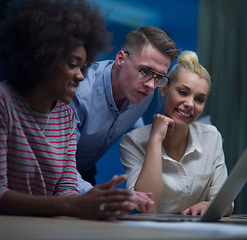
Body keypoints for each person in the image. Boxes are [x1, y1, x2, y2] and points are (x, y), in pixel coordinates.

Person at [0, 0, 152, 220]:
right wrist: (72, 205)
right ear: (43, 58)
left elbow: (66, 188)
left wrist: (94, 203)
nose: (81, 76)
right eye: (73, 64)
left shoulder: (65, 115)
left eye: (83, 66)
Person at [120, 51, 233, 216]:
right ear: (164, 90)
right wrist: (155, 140)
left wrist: (210, 205)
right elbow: (147, 207)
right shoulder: (132, 142)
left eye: (199, 99)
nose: (190, 104)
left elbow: (227, 203)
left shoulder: (211, 136)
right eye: (183, 92)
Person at [69, 26, 179, 188]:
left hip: (85, 172)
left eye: (159, 77)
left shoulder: (143, 91)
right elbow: (61, 166)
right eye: (145, 71)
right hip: (57, 171)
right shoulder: (80, 93)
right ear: (121, 59)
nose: (150, 85)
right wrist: (100, 198)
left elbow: (133, 119)